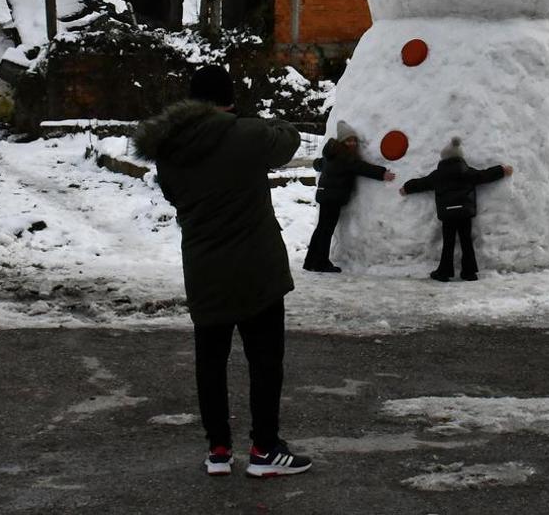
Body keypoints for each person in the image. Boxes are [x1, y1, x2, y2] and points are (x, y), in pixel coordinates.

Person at [134, 63, 314, 479]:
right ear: (229, 98)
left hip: (205, 268)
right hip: (258, 270)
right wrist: (263, 120)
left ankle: (218, 449)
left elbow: (173, 195)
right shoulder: (247, 135)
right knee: (265, 360)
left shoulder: (170, 149)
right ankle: (265, 448)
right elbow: (288, 140)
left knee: (210, 361)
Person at [399, 136, 512, 282]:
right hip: (464, 212)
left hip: (448, 213)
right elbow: (484, 175)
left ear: (443, 158)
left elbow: (422, 183)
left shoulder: (437, 175)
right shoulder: (467, 172)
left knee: (448, 242)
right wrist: (501, 170)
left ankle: (444, 272)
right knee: (466, 241)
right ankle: (469, 272)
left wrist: (406, 188)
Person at [304, 121, 395, 272]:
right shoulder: (345, 157)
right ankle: (321, 263)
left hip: (324, 193)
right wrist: (382, 173)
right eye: (348, 140)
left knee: (321, 229)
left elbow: (318, 164)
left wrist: (316, 164)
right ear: (342, 141)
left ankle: (310, 261)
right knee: (326, 230)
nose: (352, 143)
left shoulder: (332, 154)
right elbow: (362, 167)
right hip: (333, 197)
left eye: (354, 140)